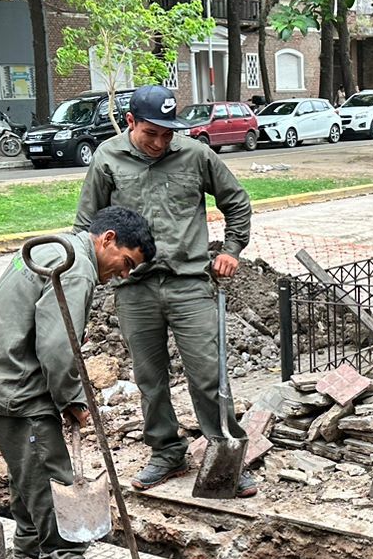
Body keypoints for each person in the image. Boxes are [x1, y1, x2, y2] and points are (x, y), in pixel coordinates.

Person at [0, 207, 156, 559]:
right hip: (14, 379)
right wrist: (72, 397)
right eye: (126, 262)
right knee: (50, 473)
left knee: (28, 468)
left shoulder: (55, 247)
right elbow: (56, 346)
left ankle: (29, 548)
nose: (124, 274)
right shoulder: (77, 267)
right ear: (108, 239)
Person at [75, 85, 256, 495]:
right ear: (130, 123)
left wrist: (231, 250)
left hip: (190, 284)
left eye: (167, 134)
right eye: (150, 133)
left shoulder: (195, 155)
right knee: (150, 379)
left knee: (209, 375)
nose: (159, 142)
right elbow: (86, 226)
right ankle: (167, 451)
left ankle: (224, 452)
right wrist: (80, 286)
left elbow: (237, 201)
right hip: (134, 288)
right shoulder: (107, 159)